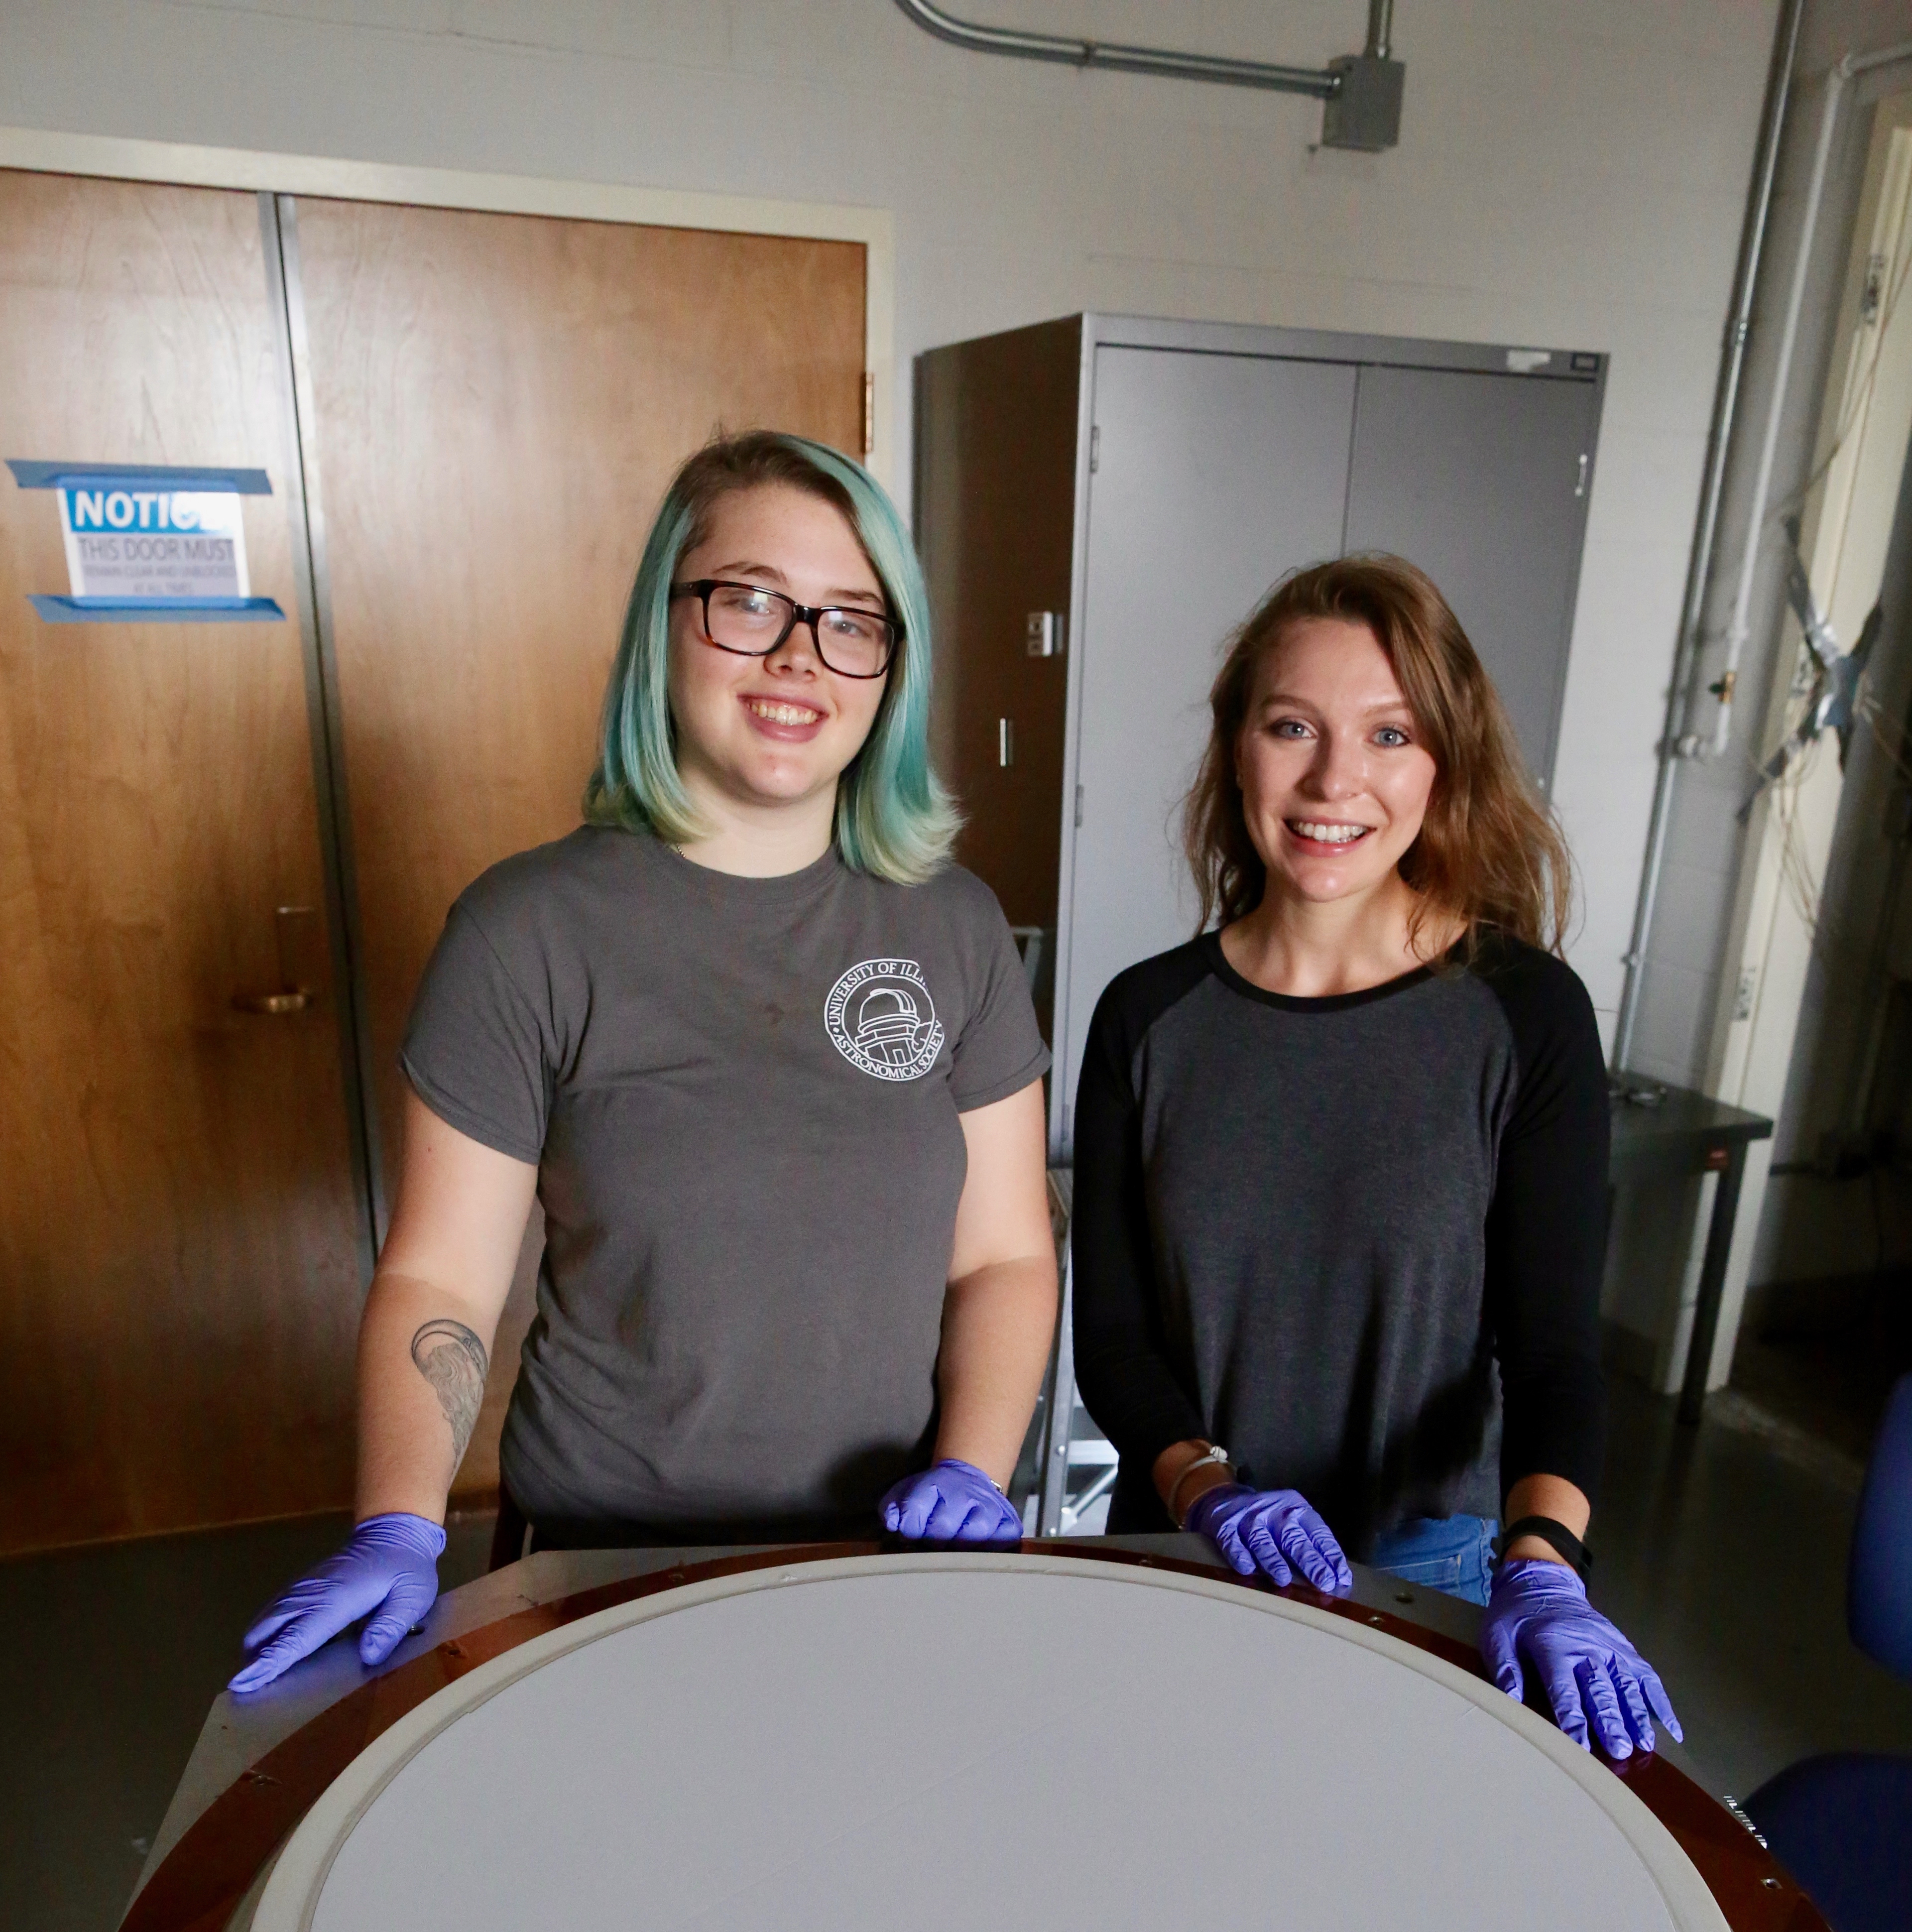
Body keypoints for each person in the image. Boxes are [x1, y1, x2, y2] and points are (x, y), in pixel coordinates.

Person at [232, 431, 1056, 1694]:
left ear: (893, 664)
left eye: (851, 620)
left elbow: (1003, 1254)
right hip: (601, 1570)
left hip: (884, 1554)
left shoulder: (950, 927)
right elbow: (443, 1276)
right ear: (664, 622)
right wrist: (400, 1517)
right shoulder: (526, 932)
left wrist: (972, 1467)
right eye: (750, 601)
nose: (799, 656)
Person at [1070, 554, 1677, 1762]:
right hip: (1190, 1543)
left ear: (1444, 762)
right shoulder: (1146, 1018)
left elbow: (1553, 1352)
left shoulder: (1526, 1014)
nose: (1334, 780)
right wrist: (1207, 1487)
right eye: (1291, 725)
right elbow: (1118, 1344)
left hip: (1431, 1565)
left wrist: (1545, 1567)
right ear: (1236, 745)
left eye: (1389, 734)